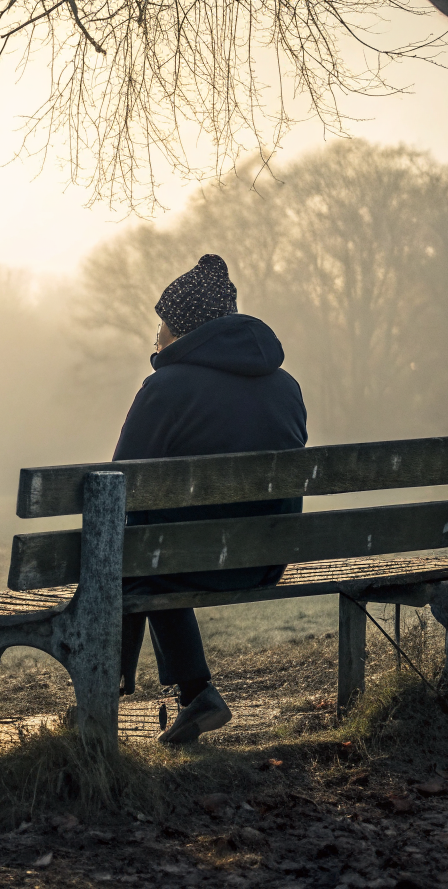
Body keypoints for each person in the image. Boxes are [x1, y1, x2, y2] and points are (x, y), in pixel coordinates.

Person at [112, 253, 308, 744]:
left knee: (137, 557)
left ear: (181, 331)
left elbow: (116, 484)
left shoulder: (166, 389)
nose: (156, 336)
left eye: (161, 325)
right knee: (148, 556)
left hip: (191, 561)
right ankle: (194, 694)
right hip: (267, 557)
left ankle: (115, 691)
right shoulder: (286, 386)